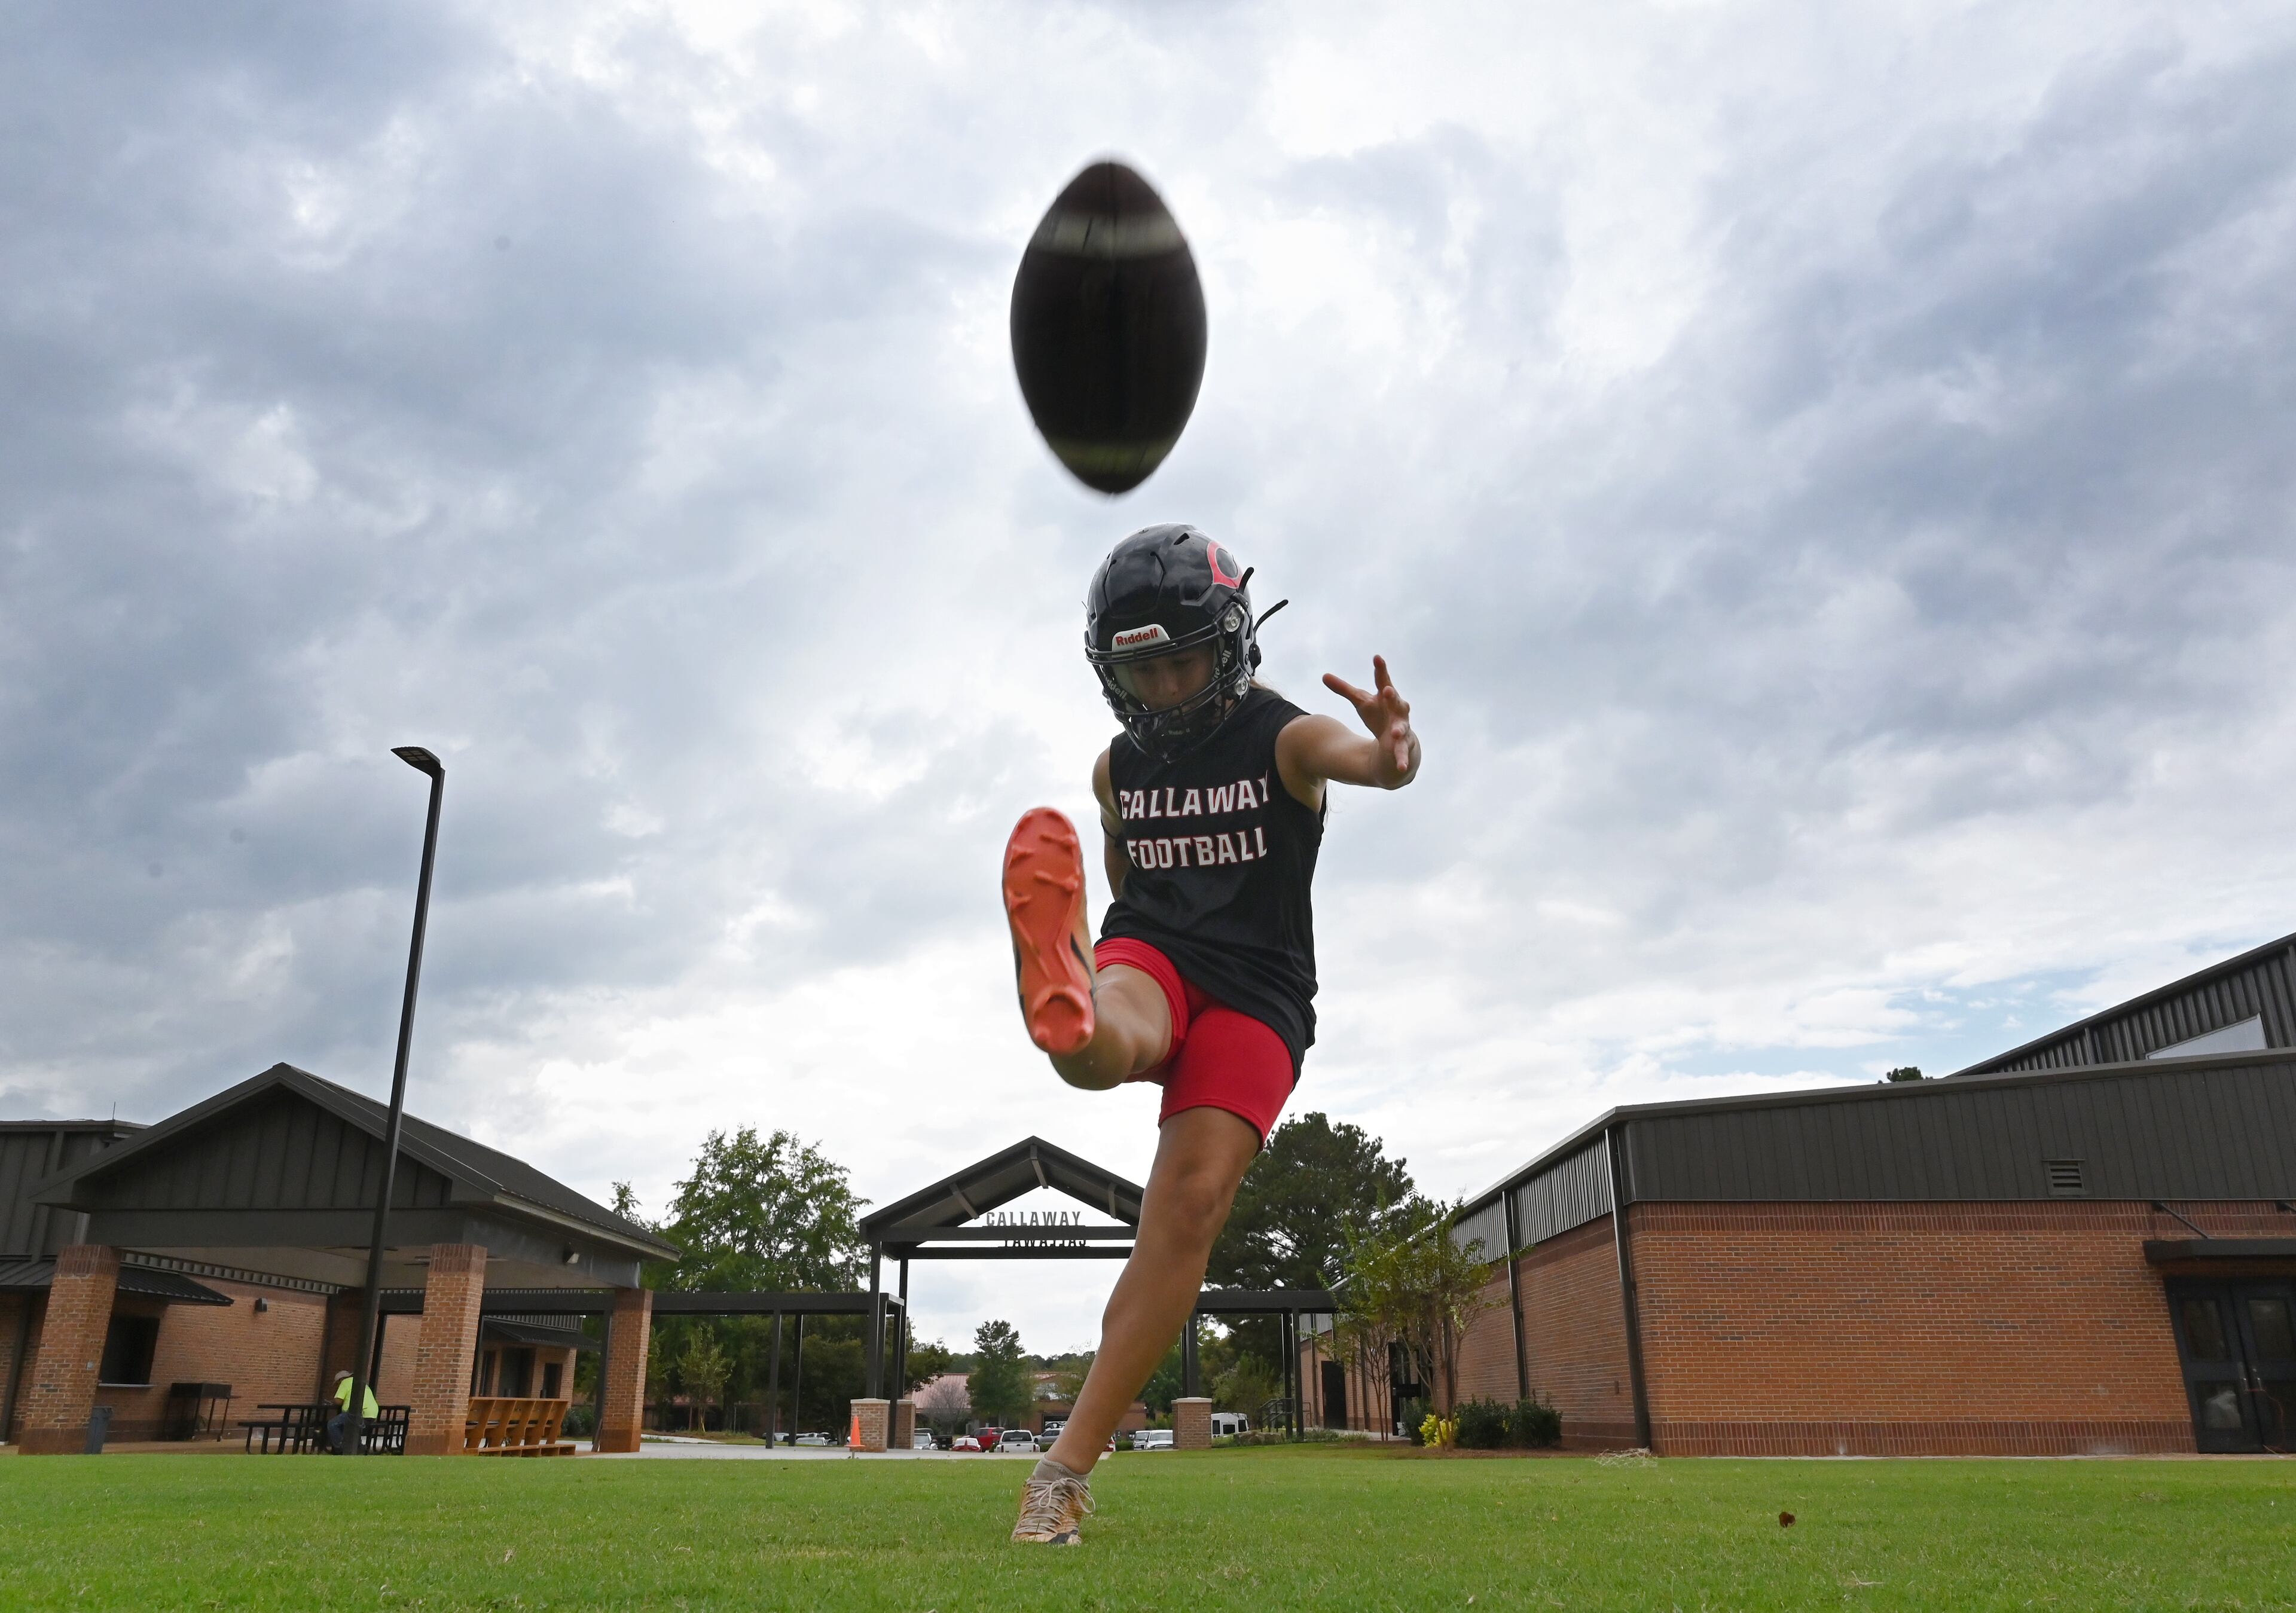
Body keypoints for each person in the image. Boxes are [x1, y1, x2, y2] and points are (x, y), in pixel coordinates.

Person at [1001, 524, 1419, 1545]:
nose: (1162, 687)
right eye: (1138, 670)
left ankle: (1061, 1472)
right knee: (1115, 1029)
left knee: (1183, 1209)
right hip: (1155, 949)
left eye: (1179, 659)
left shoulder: (1287, 737)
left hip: (1258, 992)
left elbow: (1376, 763)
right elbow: (1125, 873)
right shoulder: (1117, 770)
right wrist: (1106, 942)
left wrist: (1396, 744)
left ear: (1229, 641)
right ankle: (1073, 1015)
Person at [326, 1369, 378, 1454]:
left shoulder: (345, 1383)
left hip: (357, 1413)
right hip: (372, 1414)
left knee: (332, 1424)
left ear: (341, 1380)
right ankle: (358, 1446)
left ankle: (341, 1449)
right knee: (346, 1425)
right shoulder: (362, 1383)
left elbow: (338, 1401)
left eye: (337, 1384)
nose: (337, 1386)